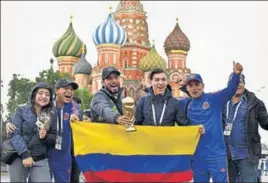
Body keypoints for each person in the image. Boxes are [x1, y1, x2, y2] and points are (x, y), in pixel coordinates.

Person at [177, 61, 243, 183]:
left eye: (197, 84)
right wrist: (147, 90)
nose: (194, 88)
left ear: (203, 86)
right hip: (197, 157)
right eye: (190, 86)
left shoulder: (214, 99)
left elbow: (230, 90)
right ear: (187, 89)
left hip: (216, 155)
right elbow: (167, 105)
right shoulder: (185, 104)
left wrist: (236, 74)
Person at [6, 79, 80, 183]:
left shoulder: (74, 107)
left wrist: (78, 117)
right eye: (66, 88)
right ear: (56, 90)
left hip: (62, 153)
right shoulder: (48, 106)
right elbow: (24, 114)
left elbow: (82, 116)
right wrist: (9, 121)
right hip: (45, 153)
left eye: (71, 89)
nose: (69, 91)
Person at [223, 74, 268, 182]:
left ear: (244, 84)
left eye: (240, 82)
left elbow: (266, 123)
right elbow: (201, 99)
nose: (238, 85)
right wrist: (184, 88)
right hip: (226, 156)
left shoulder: (255, 103)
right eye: (234, 83)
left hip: (247, 155)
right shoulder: (222, 102)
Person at [8, 82, 56, 182]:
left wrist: (46, 137)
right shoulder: (21, 109)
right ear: (34, 94)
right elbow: (14, 133)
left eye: (47, 94)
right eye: (41, 93)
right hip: (18, 156)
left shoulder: (51, 113)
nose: (44, 96)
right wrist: (25, 155)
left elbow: (56, 138)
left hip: (40, 158)